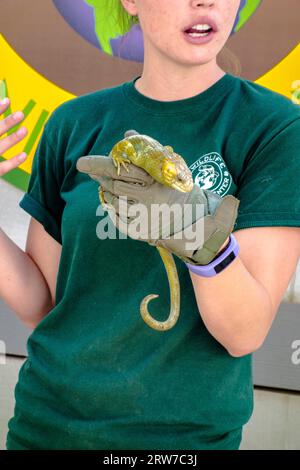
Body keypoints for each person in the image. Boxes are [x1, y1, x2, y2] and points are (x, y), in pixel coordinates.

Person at [3, 0, 300, 451]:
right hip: (46, 428)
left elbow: (244, 334)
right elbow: (43, 304)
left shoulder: (275, 128)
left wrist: (198, 238)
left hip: (183, 444)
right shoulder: (73, 123)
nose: (206, 2)